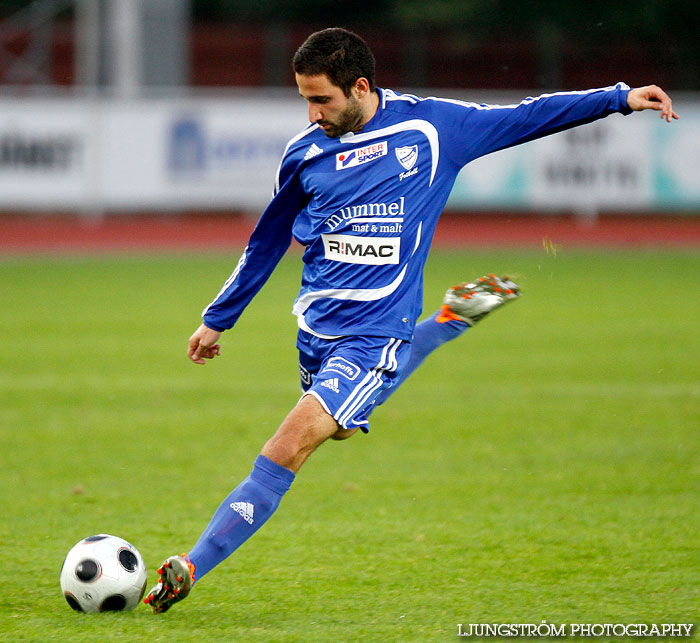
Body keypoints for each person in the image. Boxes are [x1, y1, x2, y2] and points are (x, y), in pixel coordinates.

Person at [145, 27, 678, 613]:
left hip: (375, 335)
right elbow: (267, 238)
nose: (311, 112)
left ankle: (192, 565)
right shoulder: (303, 152)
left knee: (288, 445)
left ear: (360, 87)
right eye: (304, 99)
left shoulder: (430, 131)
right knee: (342, 430)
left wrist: (618, 96)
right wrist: (219, 318)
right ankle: (454, 313)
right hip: (315, 328)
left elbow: (526, 117)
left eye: (321, 98)